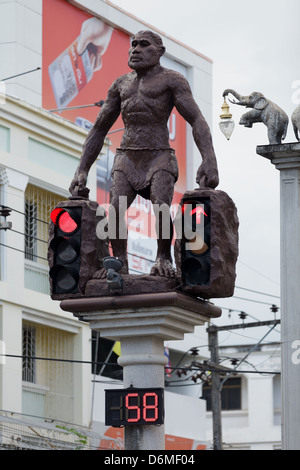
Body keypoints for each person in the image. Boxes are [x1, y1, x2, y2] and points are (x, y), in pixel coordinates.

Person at [69, 30, 219, 278]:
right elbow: (98, 129)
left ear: (159, 52)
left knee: (161, 207)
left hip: (158, 156)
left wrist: (209, 159)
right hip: (127, 157)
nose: (135, 49)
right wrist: (82, 169)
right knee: (115, 211)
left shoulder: (172, 81)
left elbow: (196, 120)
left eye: (144, 45)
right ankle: (119, 261)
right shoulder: (121, 84)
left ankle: (163, 257)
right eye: (133, 44)